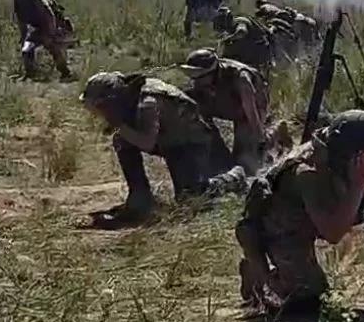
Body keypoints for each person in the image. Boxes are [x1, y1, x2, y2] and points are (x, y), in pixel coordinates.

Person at [235, 110, 364, 314]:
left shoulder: (342, 151)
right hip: (283, 225)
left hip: (320, 209)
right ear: (352, 154)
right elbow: (333, 233)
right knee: (308, 301)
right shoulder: (307, 171)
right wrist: (357, 186)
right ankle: (257, 272)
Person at [80, 71, 244, 225]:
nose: (100, 111)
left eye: (101, 105)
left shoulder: (147, 103)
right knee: (122, 140)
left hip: (190, 142)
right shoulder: (129, 99)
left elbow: (146, 142)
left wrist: (119, 125)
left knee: (190, 198)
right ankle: (140, 199)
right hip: (168, 139)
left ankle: (233, 178)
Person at [181, 48, 270, 174]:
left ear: (211, 72)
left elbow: (251, 109)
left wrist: (258, 135)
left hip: (248, 109)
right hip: (223, 103)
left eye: (200, 77)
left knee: (245, 159)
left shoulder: (240, 78)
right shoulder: (201, 82)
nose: (196, 81)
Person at [8, 0, 73, 81]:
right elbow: (21, 21)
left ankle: (65, 73)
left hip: (56, 26)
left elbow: (49, 15)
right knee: (26, 50)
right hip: (38, 28)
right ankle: (30, 74)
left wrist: (50, 34)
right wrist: (24, 37)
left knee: (52, 46)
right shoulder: (17, 1)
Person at [212, 6, 274, 71]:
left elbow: (242, 32)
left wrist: (228, 39)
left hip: (259, 51)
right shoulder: (232, 26)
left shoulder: (240, 21)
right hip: (253, 50)